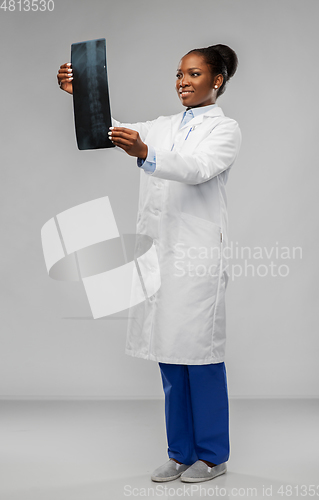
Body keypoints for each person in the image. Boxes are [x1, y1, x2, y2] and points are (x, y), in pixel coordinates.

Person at [57, 43, 241, 483]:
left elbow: (196, 168)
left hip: (197, 259)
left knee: (200, 357)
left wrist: (145, 153)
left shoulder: (226, 130)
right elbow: (112, 129)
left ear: (216, 81)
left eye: (193, 74)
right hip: (161, 256)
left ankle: (213, 456)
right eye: (179, 74)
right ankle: (180, 452)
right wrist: (81, 94)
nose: (183, 81)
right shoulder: (162, 126)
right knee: (169, 356)